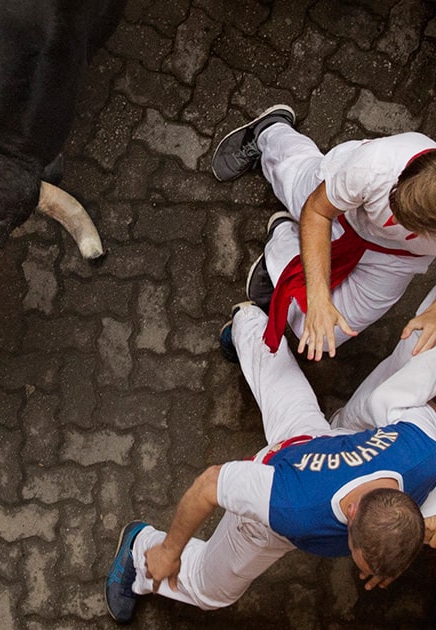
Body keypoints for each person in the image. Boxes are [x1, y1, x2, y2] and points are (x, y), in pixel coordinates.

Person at [104, 301, 436, 624]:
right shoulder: (294, 507)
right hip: (274, 496)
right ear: (352, 512)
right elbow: (209, 485)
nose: (358, 564)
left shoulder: (422, 450)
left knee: (289, 400)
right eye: (355, 550)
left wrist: (397, 551)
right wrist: (169, 552)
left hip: (317, 443)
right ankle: (139, 548)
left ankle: (248, 322)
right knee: (212, 590)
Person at [211, 104, 436, 361]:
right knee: (291, 178)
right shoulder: (376, 165)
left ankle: (284, 245)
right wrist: (318, 296)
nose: (391, 219)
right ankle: (269, 131)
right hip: (344, 208)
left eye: (405, 221)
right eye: (393, 206)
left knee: (330, 330)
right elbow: (317, 212)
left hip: (401, 256)